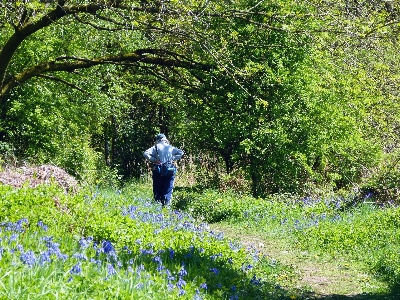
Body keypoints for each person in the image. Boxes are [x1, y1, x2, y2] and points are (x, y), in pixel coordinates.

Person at [143, 133, 184, 207]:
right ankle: (166, 207)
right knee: (168, 189)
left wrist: (154, 160)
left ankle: (157, 207)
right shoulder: (170, 147)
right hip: (170, 170)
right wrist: (172, 159)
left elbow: (145, 153)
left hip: (158, 170)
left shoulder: (155, 147)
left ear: (157, 140)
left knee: (157, 189)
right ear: (165, 139)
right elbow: (181, 152)